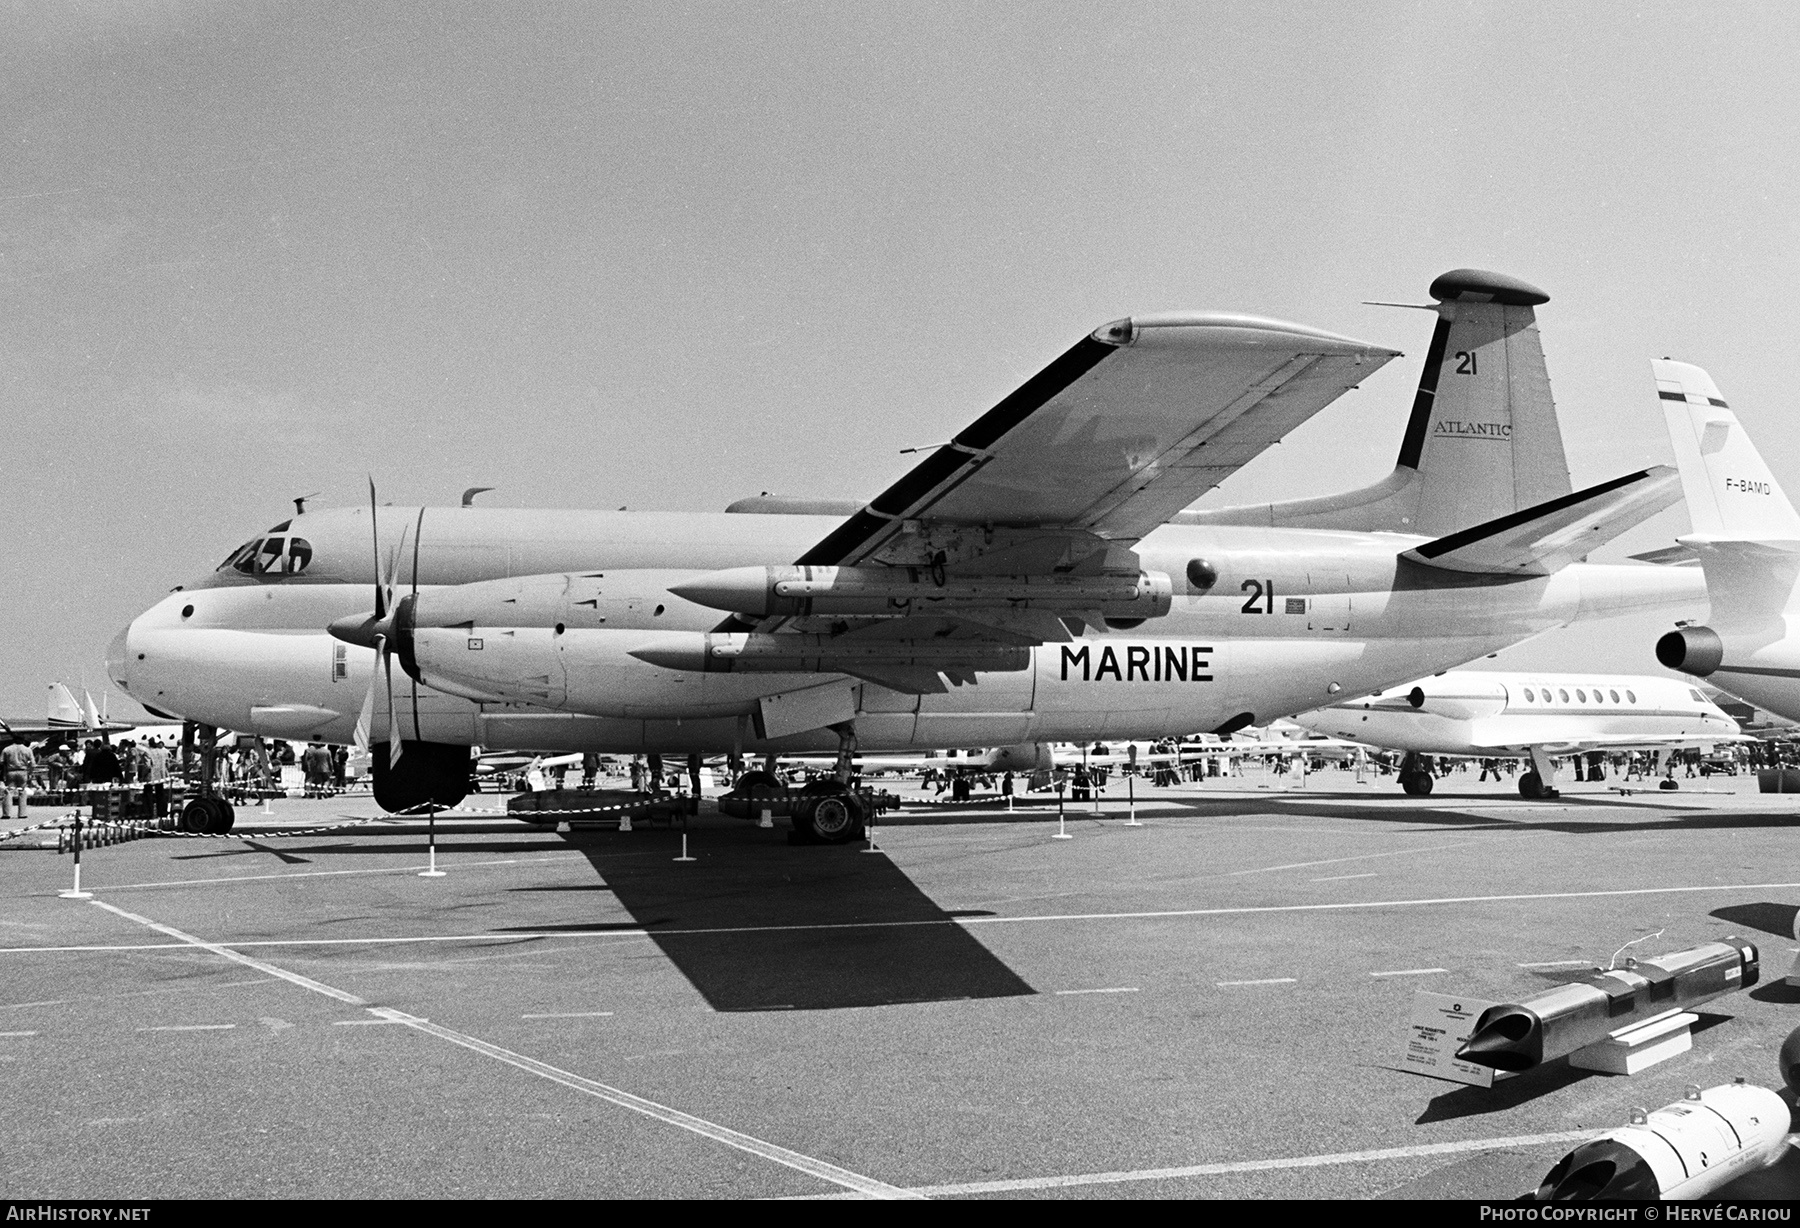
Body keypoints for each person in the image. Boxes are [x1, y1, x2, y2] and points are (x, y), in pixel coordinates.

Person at [1, 736, 34, 822]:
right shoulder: (27, 750)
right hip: (23, 772)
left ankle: (6, 814)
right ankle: (22, 814)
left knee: (8, 792)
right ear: (23, 740)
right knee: (22, 792)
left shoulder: (7, 749)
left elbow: (1, 762)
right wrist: (30, 773)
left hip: (10, 772)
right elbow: (33, 764)